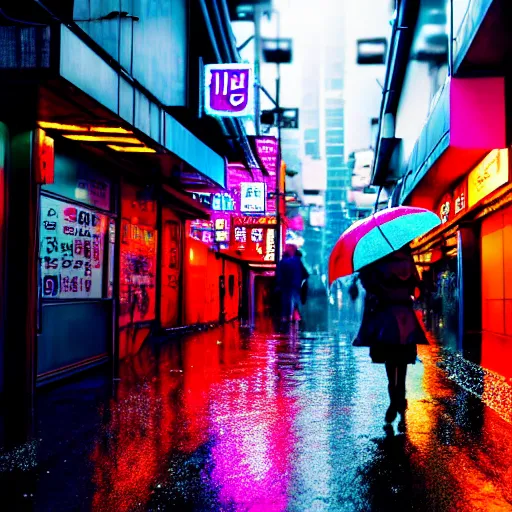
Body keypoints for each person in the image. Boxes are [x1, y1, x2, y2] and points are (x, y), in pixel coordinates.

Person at [354, 245, 428, 431]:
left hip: (386, 317)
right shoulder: (408, 261)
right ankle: (400, 401)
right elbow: (415, 286)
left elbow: (369, 285)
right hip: (405, 317)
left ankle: (393, 401)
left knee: (390, 361)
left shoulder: (379, 262)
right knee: (402, 362)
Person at [276, 244, 307, 322]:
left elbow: (279, 275)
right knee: (294, 302)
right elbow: (305, 274)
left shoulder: (283, 261)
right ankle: (294, 317)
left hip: (285, 287)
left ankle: (286, 318)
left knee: (285, 302)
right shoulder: (297, 261)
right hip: (295, 286)